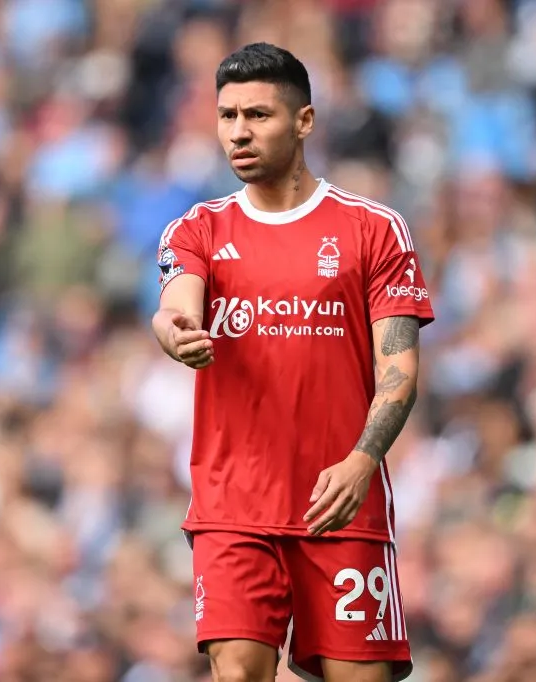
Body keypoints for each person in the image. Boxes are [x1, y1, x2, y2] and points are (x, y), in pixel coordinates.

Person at [151, 43, 434, 682]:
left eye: (258, 114)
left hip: (339, 505)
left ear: (304, 121)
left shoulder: (374, 230)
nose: (239, 133)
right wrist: (176, 332)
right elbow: (174, 308)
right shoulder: (196, 229)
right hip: (232, 508)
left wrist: (362, 461)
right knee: (239, 671)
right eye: (227, 117)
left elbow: (400, 369)